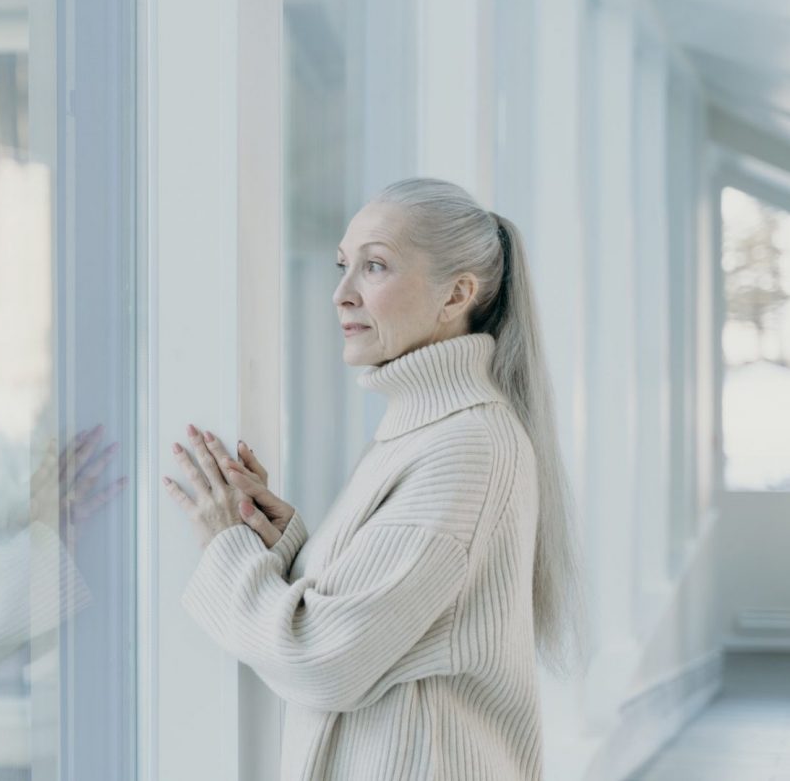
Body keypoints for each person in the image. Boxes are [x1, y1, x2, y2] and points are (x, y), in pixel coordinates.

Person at [163, 177, 589, 780]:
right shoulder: (423, 429)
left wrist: (229, 551)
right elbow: (396, 619)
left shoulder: (468, 445)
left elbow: (325, 660)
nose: (341, 293)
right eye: (344, 265)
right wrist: (287, 545)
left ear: (457, 294)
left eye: (375, 266)